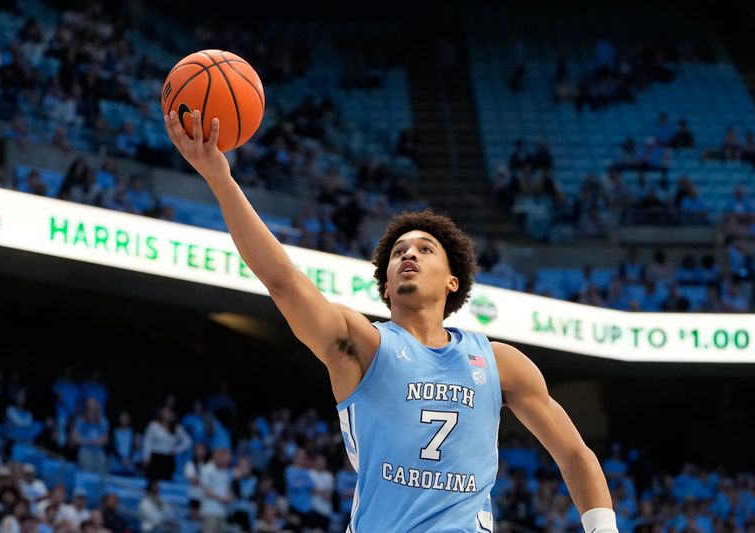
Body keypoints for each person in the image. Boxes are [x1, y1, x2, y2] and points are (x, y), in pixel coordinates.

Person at [165, 110, 617, 532]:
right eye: (399, 252)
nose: (408, 255)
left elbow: (575, 454)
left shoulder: (501, 363)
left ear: (453, 281)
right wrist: (220, 179)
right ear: (385, 288)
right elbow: (283, 281)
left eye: (424, 249)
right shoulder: (362, 345)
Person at [142, 407, 192, 481]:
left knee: (166, 481)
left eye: (169, 413)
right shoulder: (153, 426)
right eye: (165, 413)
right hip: (155, 457)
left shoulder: (176, 428)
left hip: (168, 458)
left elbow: (188, 441)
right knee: (153, 480)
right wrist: (146, 457)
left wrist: (177, 449)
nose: (166, 415)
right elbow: (147, 442)